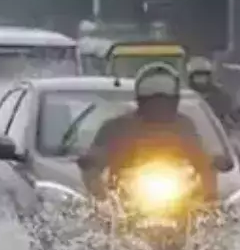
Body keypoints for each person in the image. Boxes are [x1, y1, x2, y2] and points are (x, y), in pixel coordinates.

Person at [78, 62, 217, 204]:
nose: (159, 103)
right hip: (125, 198)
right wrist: (100, 193)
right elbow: (96, 157)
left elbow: (201, 158)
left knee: (205, 211)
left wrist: (210, 193)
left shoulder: (184, 126)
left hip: (179, 196)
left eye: (164, 96)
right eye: (152, 96)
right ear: (140, 98)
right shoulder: (118, 127)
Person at [186, 56, 237, 128]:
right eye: (197, 75)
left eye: (203, 75)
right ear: (191, 77)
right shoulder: (186, 95)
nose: (200, 79)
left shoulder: (221, 96)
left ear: (209, 76)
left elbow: (227, 118)